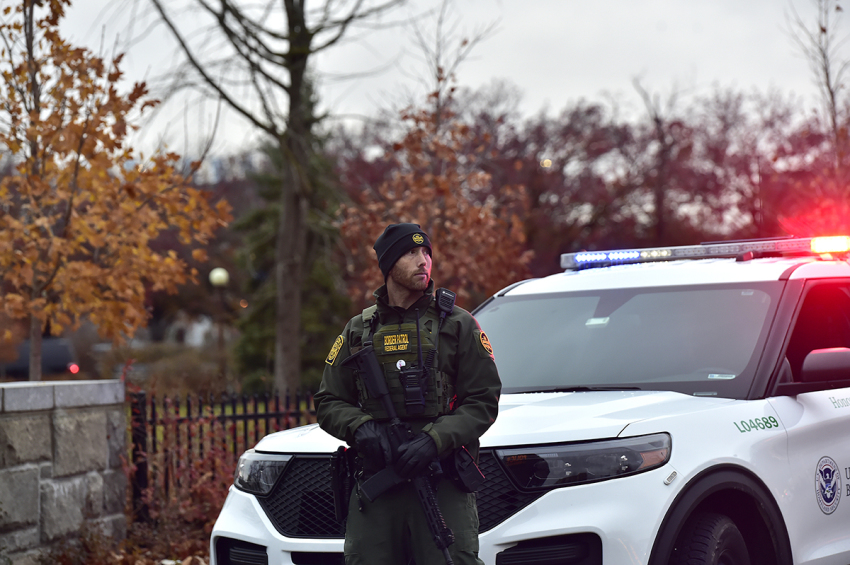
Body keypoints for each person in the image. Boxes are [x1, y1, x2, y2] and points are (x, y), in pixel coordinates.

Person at [314, 222, 501, 565]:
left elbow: (482, 401)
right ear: (388, 265)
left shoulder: (458, 325)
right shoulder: (358, 330)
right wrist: (361, 427)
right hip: (378, 480)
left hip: (441, 479)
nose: (423, 261)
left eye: (427, 252)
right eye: (410, 253)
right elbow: (328, 401)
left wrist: (434, 440)